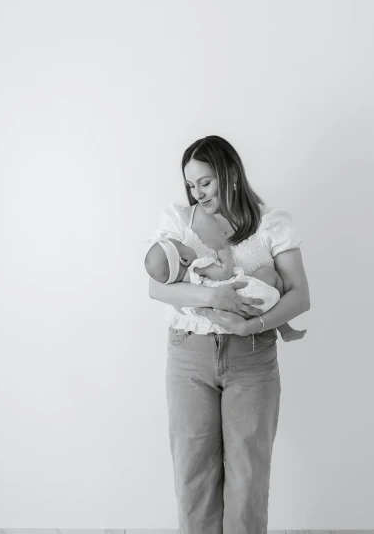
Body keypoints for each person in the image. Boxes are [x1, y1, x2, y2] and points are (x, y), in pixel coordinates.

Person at [146, 135, 310, 534]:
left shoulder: (272, 222)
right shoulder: (177, 222)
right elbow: (157, 288)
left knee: (248, 479)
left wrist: (250, 324)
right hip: (189, 355)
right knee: (193, 477)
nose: (196, 192)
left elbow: (300, 295)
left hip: (252, 355)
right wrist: (214, 296)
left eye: (205, 181)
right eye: (191, 184)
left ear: (229, 173)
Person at [145, 234, 307, 342]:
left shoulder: (183, 292)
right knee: (270, 275)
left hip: (221, 315)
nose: (186, 244)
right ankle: (284, 327)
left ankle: (263, 325)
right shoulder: (197, 267)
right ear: (185, 259)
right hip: (241, 293)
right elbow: (224, 273)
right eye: (183, 244)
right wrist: (225, 257)